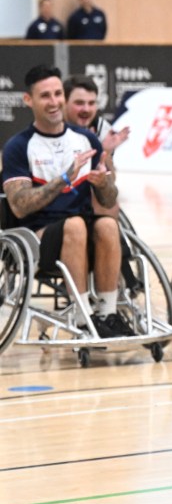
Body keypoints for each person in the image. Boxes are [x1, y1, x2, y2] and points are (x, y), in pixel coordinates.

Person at [1, 65, 132, 337]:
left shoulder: (85, 139)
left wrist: (105, 183)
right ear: (29, 100)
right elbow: (19, 205)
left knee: (108, 225)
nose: (54, 102)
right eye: (45, 96)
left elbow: (108, 200)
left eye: (58, 94)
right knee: (74, 225)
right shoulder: (19, 146)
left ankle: (108, 314)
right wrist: (63, 178)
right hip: (38, 237)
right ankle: (84, 317)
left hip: (82, 229)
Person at [62, 74, 130, 219]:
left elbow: (110, 182)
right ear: (64, 102)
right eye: (79, 103)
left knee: (110, 206)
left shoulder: (102, 129)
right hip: (56, 190)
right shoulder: (53, 126)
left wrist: (105, 152)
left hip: (85, 192)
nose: (86, 109)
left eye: (91, 103)